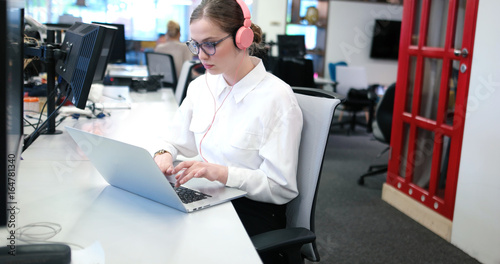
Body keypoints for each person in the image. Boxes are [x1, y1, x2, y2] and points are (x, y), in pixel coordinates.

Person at [153, 0, 302, 260]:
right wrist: (164, 152)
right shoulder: (201, 87)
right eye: (195, 45)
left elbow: (281, 187)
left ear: (242, 39)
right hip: (208, 194)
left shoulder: (277, 98)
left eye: (210, 43)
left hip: (250, 209)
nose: (201, 54)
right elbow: (173, 139)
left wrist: (221, 173)